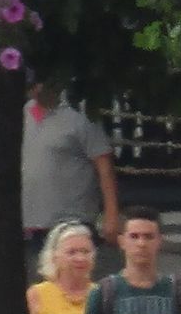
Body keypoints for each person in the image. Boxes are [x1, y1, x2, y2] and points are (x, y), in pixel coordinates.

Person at [21, 78, 121, 267]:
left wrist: (111, 214)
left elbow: (104, 165)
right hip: (29, 224)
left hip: (72, 223)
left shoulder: (81, 113)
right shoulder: (21, 115)